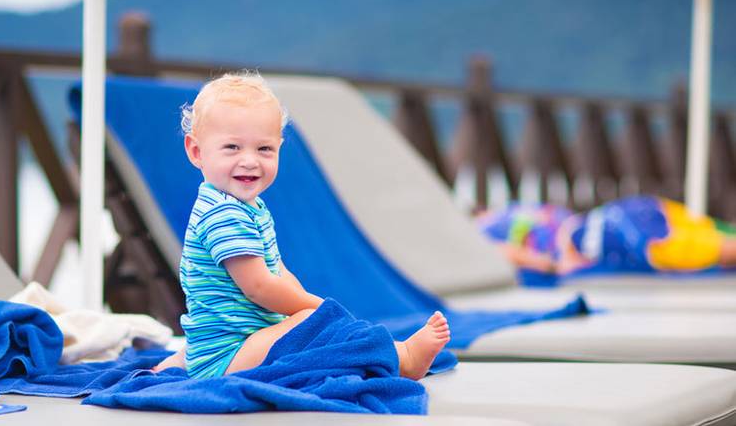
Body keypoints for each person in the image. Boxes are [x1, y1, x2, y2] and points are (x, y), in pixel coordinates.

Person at [153, 72, 450, 379]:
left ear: (279, 148)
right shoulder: (224, 214)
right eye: (232, 147)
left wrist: (302, 303)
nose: (250, 161)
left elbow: (278, 271)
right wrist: (318, 310)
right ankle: (404, 358)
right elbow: (259, 287)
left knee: (311, 324)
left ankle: (174, 366)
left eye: (264, 149)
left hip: (235, 342)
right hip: (229, 354)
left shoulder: (248, 207)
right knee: (318, 327)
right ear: (196, 152)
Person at [477, 196, 736, 277]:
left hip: (594, 236)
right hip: (619, 213)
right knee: (714, 235)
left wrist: (553, 265)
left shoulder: (484, 229)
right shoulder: (504, 213)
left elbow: (506, 252)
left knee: (710, 246)